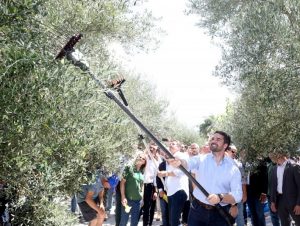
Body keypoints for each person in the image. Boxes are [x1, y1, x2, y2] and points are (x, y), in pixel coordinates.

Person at [169, 131, 242, 226]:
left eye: (218, 139)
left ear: (225, 145)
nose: (213, 141)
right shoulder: (201, 159)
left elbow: (238, 195)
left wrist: (220, 197)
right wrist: (180, 162)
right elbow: (187, 163)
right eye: (212, 139)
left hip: (219, 213)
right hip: (197, 211)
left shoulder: (233, 168)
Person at [158, 140, 189, 226]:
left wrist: (166, 173)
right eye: (170, 144)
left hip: (178, 191)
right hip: (171, 192)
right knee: (173, 220)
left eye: (173, 144)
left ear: (179, 147)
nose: (171, 145)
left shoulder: (180, 155)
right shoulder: (171, 157)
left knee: (174, 221)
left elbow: (183, 171)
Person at [270, 149, 300, 226]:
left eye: (276, 156)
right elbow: (273, 186)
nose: (275, 159)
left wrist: (299, 204)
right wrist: (273, 201)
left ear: (282, 155)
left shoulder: (294, 166)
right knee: (284, 223)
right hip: (280, 200)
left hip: (293, 202)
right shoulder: (274, 169)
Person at [120, 152, 147, 226]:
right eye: (140, 157)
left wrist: (142, 196)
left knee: (134, 223)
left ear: (144, 162)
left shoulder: (142, 171)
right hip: (127, 200)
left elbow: (142, 184)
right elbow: (122, 183)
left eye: (143, 158)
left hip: (137, 201)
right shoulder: (129, 168)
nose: (141, 159)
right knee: (123, 222)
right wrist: (123, 196)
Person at [226, 145, 247, 226]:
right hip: (225, 195)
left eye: (235, 152)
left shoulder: (239, 164)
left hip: (237, 195)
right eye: (233, 151)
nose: (234, 154)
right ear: (227, 151)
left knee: (239, 217)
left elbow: (243, 180)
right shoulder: (220, 162)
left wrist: (244, 194)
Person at [142, 141, 161, 226]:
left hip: (153, 186)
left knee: (151, 207)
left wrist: (156, 190)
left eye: (153, 148)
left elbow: (157, 176)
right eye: (150, 148)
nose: (151, 149)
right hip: (144, 185)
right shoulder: (146, 158)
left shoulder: (158, 160)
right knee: (145, 207)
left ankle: (148, 224)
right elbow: (143, 154)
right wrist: (148, 144)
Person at [267, 153, 281, 226]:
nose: (271, 154)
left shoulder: (280, 165)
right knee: (273, 215)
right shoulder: (269, 166)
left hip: (279, 195)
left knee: (282, 215)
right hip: (270, 195)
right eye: (269, 153)